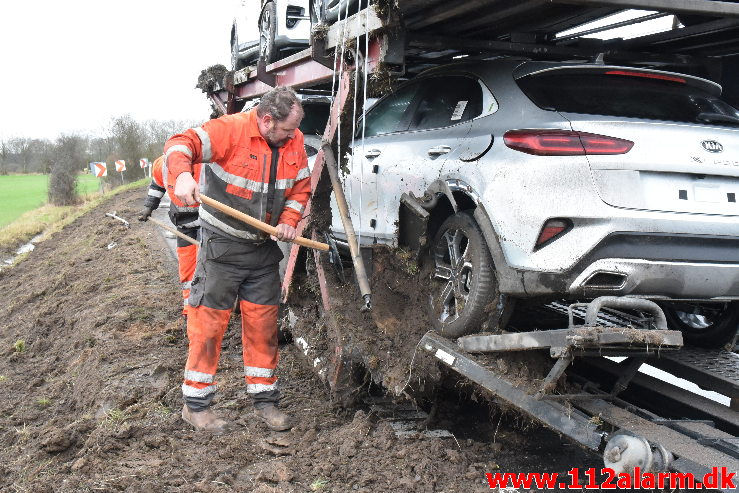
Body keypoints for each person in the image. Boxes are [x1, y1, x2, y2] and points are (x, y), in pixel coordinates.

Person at [164, 86, 310, 433]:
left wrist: (289, 222)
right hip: (221, 249)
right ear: (266, 120)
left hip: (261, 252)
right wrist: (183, 174)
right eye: (288, 130)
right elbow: (180, 144)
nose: (294, 136)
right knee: (209, 327)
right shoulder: (229, 130)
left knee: (264, 328)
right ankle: (195, 406)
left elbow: (300, 187)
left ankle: (266, 402)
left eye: (295, 130)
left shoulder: (294, 140)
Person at [138, 156, 201, 328]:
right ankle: (191, 310)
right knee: (188, 268)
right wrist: (149, 206)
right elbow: (157, 185)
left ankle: (219, 307)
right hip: (184, 225)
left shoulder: (205, 164)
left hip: (210, 224)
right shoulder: (161, 165)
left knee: (214, 265)